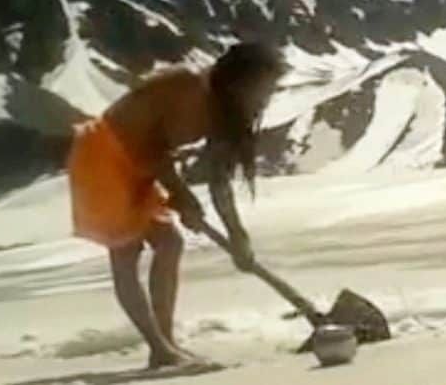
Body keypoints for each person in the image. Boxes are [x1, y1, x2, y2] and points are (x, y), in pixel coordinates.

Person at [66, 41, 286, 369]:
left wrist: (237, 234)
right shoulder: (186, 86)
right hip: (103, 155)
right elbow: (150, 144)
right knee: (125, 253)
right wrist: (182, 196)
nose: (265, 98)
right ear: (239, 80)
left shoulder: (226, 113)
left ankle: (165, 346)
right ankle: (160, 347)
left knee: (170, 243)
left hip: (140, 166)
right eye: (263, 88)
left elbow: (219, 180)